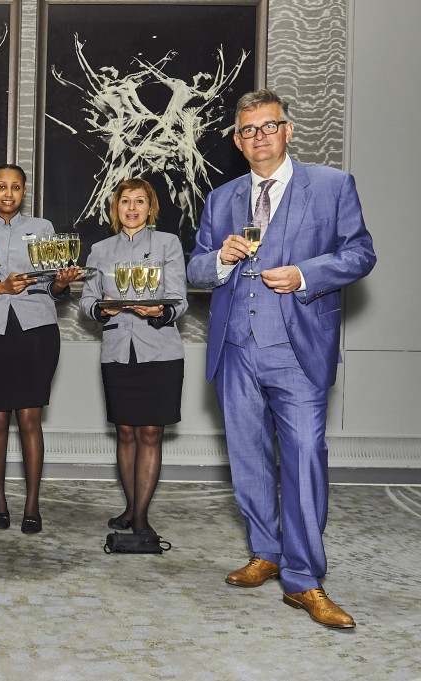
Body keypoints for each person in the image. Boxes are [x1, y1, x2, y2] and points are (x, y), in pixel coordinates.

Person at [187, 89, 376, 628]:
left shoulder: (333, 186)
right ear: (237, 141)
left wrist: (304, 276)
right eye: (247, 131)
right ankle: (265, 552)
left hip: (297, 348)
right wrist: (218, 260)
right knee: (246, 459)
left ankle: (304, 579)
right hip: (235, 349)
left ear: (288, 130)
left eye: (268, 127)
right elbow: (196, 269)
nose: (258, 137)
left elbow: (360, 253)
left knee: (302, 461)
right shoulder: (222, 198)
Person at [0, 164, 80, 534]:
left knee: (30, 420)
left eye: (16, 187)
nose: (9, 193)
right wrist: (0, 286)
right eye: (1, 186)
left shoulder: (43, 229)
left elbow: (53, 290)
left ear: (24, 191)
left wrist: (62, 284)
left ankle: (32, 505)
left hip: (36, 332)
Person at [80, 178, 188, 537]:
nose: (132, 207)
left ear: (150, 207)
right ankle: (130, 508)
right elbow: (86, 302)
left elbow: (178, 299)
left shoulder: (168, 243)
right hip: (115, 351)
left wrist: (158, 311)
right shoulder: (100, 250)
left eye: (139, 201)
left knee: (150, 434)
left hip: (160, 351)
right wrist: (102, 311)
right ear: (116, 208)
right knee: (125, 433)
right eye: (125, 201)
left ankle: (141, 517)